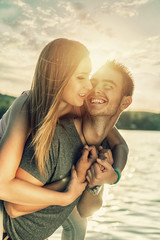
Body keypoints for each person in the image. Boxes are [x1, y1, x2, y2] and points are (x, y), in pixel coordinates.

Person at [1, 60, 134, 240]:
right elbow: (11, 200)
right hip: (6, 177)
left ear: (125, 103)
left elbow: (121, 145)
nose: (95, 89)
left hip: (26, 197)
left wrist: (109, 177)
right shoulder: (35, 106)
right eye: (91, 81)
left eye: (108, 85)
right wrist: (73, 183)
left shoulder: (100, 136)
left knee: (78, 225)